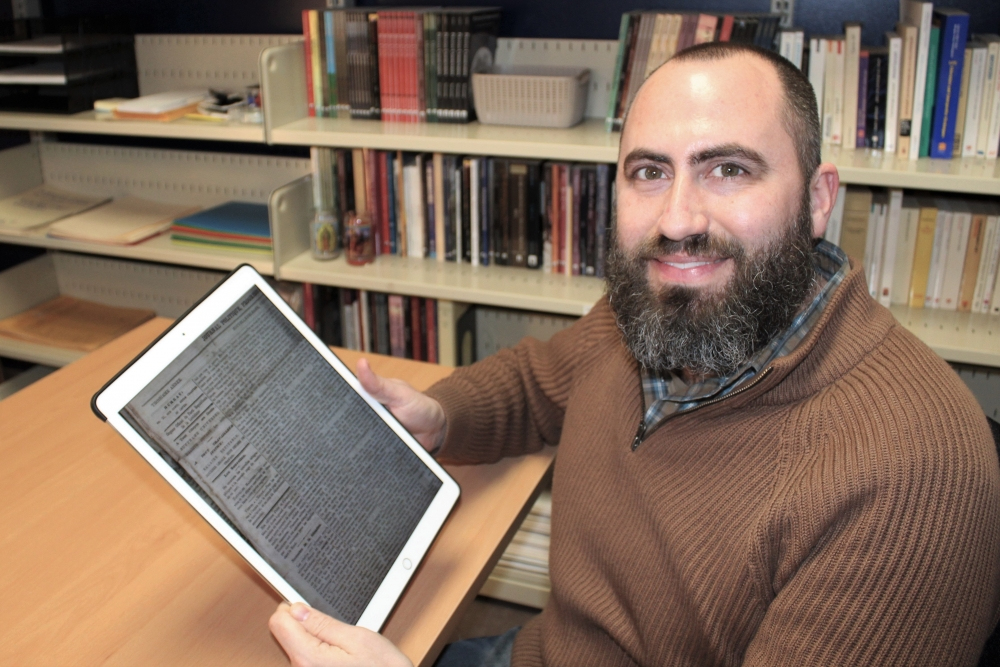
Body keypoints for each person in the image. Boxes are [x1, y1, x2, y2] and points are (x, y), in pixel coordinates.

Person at [269, 42, 1000, 667]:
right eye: (650, 171)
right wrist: (440, 413)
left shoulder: (915, 473)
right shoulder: (656, 309)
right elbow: (538, 381)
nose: (677, 219)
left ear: (817, 198)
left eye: (730, 169)